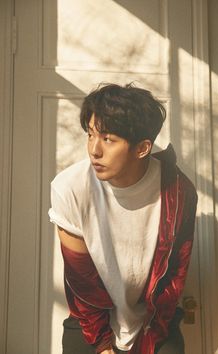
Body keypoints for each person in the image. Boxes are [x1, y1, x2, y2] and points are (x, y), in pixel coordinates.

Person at [48, 83, 198, 354]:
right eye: (90, 134)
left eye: (107, 139)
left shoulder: (178, 191)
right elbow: (80, 277)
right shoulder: (70, 187)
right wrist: (104, 346)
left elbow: (175, 270)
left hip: (155, 321)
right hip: (89, 322)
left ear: (142, 148)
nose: (94, 150)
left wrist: (152, 335)